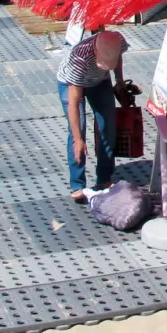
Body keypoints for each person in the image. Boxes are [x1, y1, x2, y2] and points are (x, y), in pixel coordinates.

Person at [58, 29, 129, 203]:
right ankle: (77, 184)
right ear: (96, 51)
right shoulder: (79, 57)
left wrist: (119, 81)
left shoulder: (117, 39)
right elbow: (74, 103)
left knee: (108, 126)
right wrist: (78, 139)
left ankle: (104, 178)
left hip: (100, 81)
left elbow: (118, 57)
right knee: (78, 131)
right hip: (72, 83)